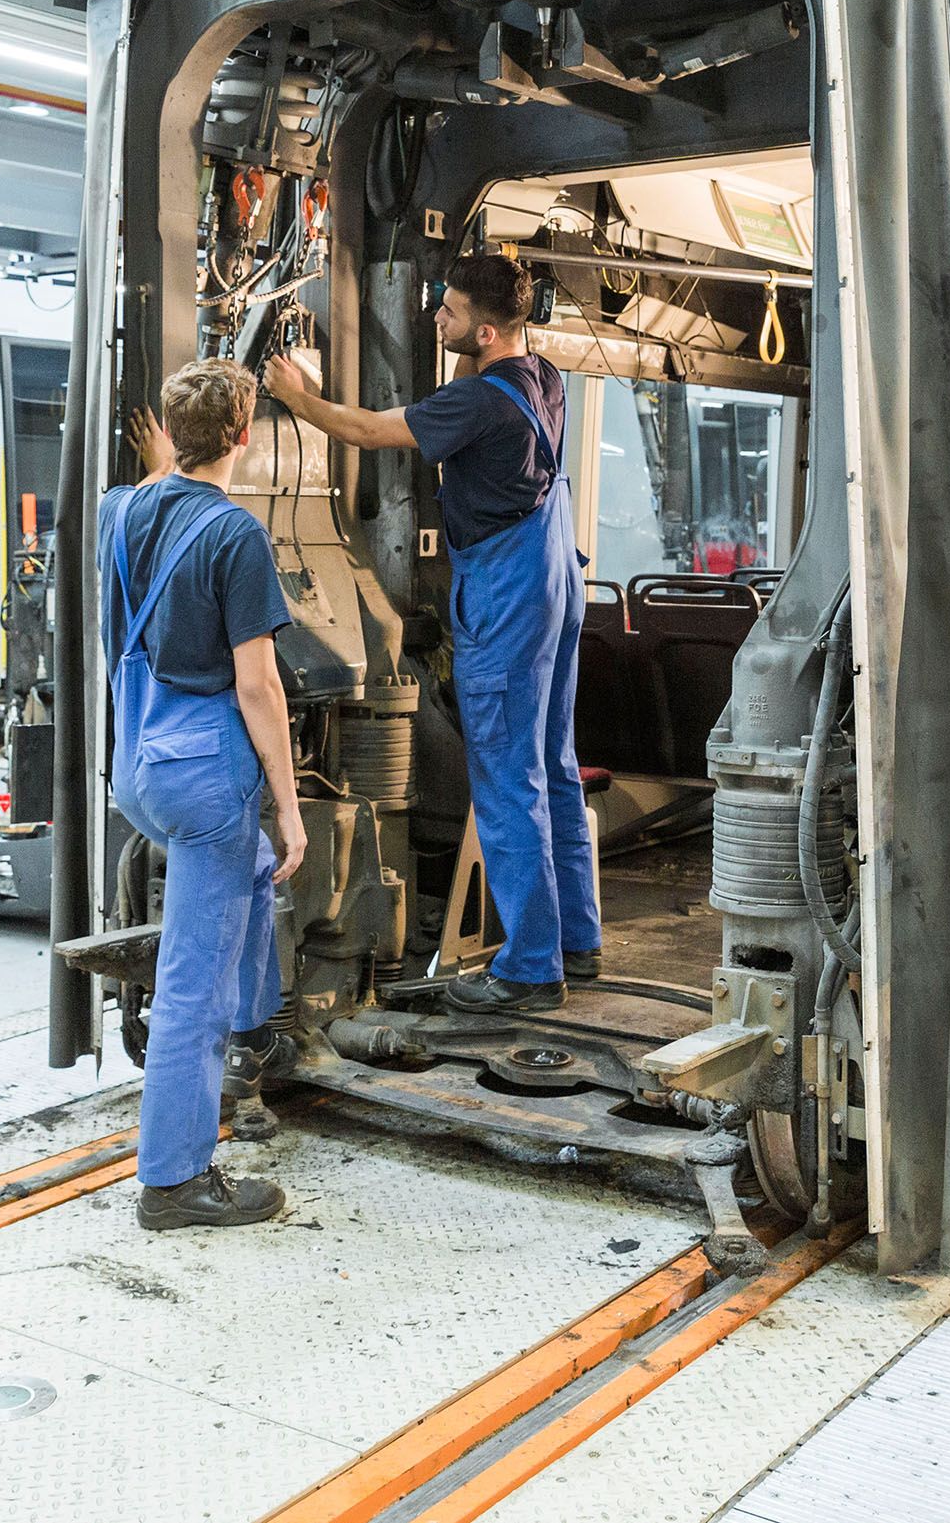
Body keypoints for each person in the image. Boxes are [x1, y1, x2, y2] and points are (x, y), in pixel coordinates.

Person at [263, 251, 601, 1013]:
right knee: (553, 765)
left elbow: (367, 429)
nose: (435, 319)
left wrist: (297, 395)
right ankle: (575, 944)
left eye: (446, 313)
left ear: (484, 330)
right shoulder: (541, 376)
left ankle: (529, 970)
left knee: (507, 781)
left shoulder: (476, 402)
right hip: (554, 578)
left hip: (509, 595)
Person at [102, 359, 309, 1232]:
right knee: (194, 985)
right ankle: (175, 1181)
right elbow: (258, 686)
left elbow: (156, 490)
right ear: (244, 437)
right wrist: (290, 803)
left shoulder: (122, 509)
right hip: (205, 772)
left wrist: (167, 459)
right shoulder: (235, 536)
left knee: (248, 875)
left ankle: (258, 1026)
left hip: (138, 763)